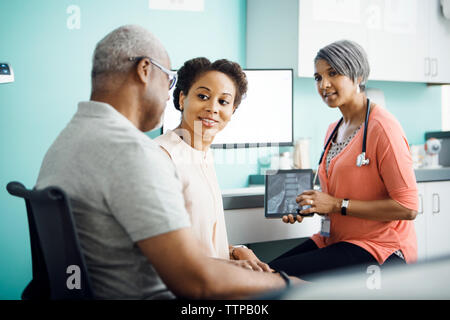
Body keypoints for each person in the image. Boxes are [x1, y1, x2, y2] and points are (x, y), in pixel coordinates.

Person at [35, 25, 300, 299]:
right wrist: (288, 284)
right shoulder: (137, 154)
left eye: (224, 101)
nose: (167, 94)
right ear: (145, 70)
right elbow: (194, 280)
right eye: (169, 80)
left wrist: (231, 251)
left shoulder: (68, 141)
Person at [269, 40, 419, 280]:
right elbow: (338, 195)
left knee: (272, 281)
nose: (324, 85)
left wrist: (336, 205)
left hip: (380, 247)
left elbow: (408, 208)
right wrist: (312, 204)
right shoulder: (333, 129)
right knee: (264, 271)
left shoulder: (383, 128)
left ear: (357, 76)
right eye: (318, 78)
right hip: (334, 240)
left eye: (334, 73)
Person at [155, 57, 270, 272]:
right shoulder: (162, 157)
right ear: (182, 99)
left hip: (215, 276)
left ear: (232, 110)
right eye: (203, 96)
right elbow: (163, 249)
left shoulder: (204, 156)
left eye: (223, 102)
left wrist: (234, 250)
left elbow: (200, 237)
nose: (212, 108)